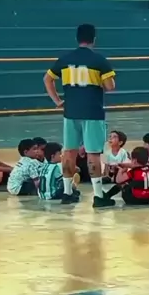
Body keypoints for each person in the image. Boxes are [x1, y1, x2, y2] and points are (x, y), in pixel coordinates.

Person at [43, 23, 116, 208]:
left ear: (77, 38)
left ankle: (67, 192)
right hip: (92, 111)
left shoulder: (65, 59)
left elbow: (47, 79)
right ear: (94, 39)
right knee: (93, 153)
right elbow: (110, 86)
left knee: (69, 152)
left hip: (71, 111)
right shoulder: (99, 60)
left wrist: (57, 101)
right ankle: (98, 195)